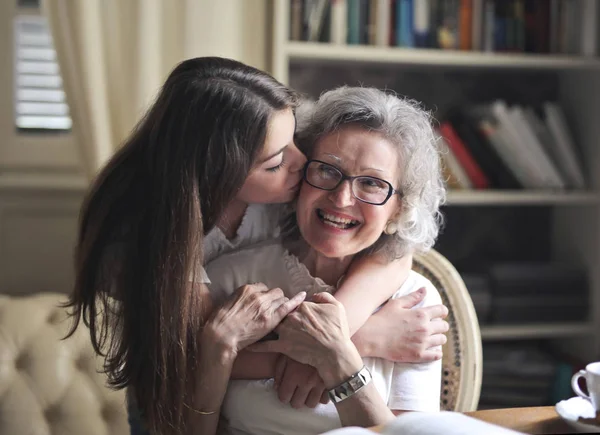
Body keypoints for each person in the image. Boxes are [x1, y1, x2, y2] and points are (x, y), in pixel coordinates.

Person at [64, 57, 448, 435]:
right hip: (167, 396)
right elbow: (195, 354)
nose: (302, 161)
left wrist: (338, 330)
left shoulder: (287, 188)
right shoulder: (147, 237)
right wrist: (363, 339)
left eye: (295, 141)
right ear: (222, 173)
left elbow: (394, 251)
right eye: (278, 159)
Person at [204, 86, 447, 434]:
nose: (342, 198)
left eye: (372, 184)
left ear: (400, 209)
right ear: (300, 178)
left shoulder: (414, 303)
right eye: (327, 171)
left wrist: (338, 360)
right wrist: (347, 341)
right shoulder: (230, 277)